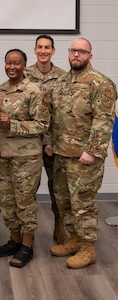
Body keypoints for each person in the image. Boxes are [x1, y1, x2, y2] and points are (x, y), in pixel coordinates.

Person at [49, 38, 117, 269]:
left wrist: (93, 151)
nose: (76, 54)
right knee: (64, 201)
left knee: (83, 204)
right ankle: (75, 239)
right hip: (61, 153)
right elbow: (53, 117)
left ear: (90, 55)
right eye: (73, 50)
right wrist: (50, 142)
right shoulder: (61, 82)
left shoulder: (100, 83)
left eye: (81, 51)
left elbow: (104, 120)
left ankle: (88, 248)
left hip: (84, 158)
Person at [0, 49, 49, 268]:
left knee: (25, 203)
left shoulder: (33, 91)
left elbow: (42, 124)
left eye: (16, 63)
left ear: (25, 65)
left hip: (26, 157)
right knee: (7, 201)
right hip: (3, 154)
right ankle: (14, 240)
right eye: (8, 63)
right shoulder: (0, 89)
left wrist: (11, 124)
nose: (12, 67)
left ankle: (27, 245)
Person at [24, 35, 68, 244]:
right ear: (34, 50)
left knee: (58, 188)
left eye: (47, 47)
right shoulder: (24, 75)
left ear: (53, 51)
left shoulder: (63, 76)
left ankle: (60, 226)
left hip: (55, 142)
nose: (43, 51)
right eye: (39, 47)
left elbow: (62, 112)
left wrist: (50, 139)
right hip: (29, 140)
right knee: (28, 187)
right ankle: (27, 233)